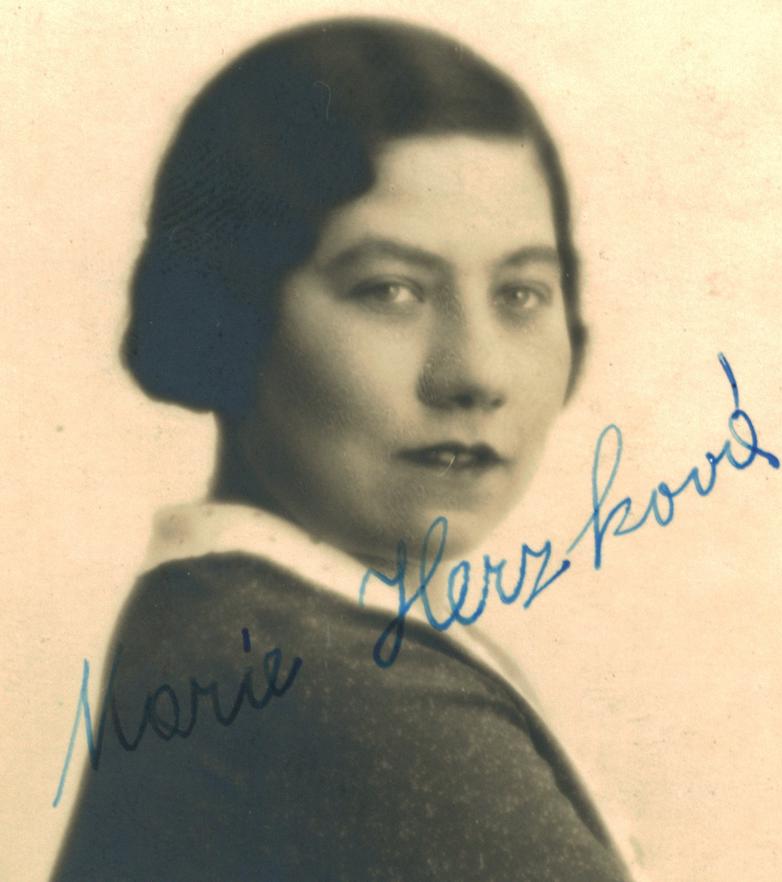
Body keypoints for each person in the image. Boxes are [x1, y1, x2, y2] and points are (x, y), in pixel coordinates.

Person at [52, 17, 632, 881]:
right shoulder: (344, 690)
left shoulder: (237, 628)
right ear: (229, 318)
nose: (476, 374)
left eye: (521, 294)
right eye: (390, 290)